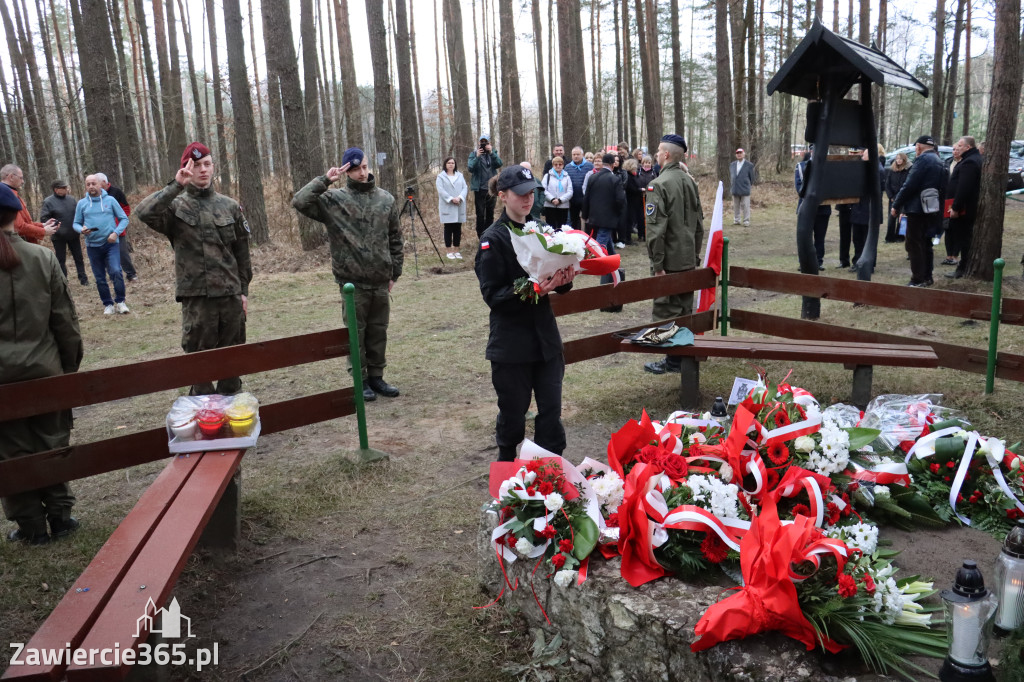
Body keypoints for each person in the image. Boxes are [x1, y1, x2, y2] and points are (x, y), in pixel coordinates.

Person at [0, 182, 83, 545]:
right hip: (46, 369)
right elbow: (65, 322)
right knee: (51, 441)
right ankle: (61, 517)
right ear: (16, 216)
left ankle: (32, 527)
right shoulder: (43, 257)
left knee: (10, 451)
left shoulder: (39, 257)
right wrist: (67, 369)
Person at [474, 165, 576, 461]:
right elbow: (493, 296)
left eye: (531, 192)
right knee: (513, 413)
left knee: (551, 413)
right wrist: (536, 290)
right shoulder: (492, 239)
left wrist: (564, 279)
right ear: (503, 196)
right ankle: (506, 468)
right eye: (520, 194)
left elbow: (558, 284)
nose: (527, 199)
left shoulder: (542, 229)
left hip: (545, 341)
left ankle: (550, 473)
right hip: (511, 344)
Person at [137, 142, 252, 394]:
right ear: (187, 169)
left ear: (214, 168)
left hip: (230, 296)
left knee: (232, 361)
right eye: (196, 165)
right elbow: (144, 213)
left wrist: (243, 291)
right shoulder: (176, 207)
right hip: (197, 298)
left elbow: (242, 255)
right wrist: (176, 185)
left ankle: (233, 416)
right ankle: (204, 423)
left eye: (207, 164)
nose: (203, 170)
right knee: (198, 365)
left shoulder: (230, 206)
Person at [292, 147, 403, 401]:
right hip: (352, 283)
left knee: (378, 331)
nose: (362, 173)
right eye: (355, 169)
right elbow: (300, 201)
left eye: (364, 167)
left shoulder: (385, 199)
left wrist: (394, 272)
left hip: (380, 280)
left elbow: (395, 238)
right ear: (346, 172)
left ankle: (377, 377)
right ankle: (360, 380)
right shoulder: (334, 201)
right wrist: (325, 180)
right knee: (356, 333)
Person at [643, 134, 704, 375]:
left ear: (666, 154)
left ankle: (671, 361)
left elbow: (656, 232)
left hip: (669, 261)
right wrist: (695, 254)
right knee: (684, 310)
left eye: (658, 151)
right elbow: (699, 224)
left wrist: (658, 265)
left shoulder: (658, 185)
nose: (656, 154)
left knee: (666, 311)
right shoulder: (690, 181)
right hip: (687, 257)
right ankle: (679, 359)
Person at [891, 134, 946, 287]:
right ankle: (927, 277)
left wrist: (896, 204)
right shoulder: (939, 160)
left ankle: (918, 278)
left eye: (916, 147)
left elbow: (910, 184)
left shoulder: (923, 160)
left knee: (914, 243)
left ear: (919, 147)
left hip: (917, 209)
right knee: (926, 243)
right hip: (931, 208)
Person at [73, 174, 130, 315]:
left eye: (93, 183)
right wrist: (81, 230)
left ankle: (121, 302)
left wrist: (115, 233)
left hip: (111, 244)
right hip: (92, 246)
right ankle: (108, 304)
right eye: (88, 184)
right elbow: (75, 223)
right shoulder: (82, 204)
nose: (91, 186)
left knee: (116, 271)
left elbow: (124, 219)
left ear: (100, 185)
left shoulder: (110, 200)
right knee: (99, 277)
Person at [582, 153, 626, 282]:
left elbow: (586, 198)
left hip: (594, 216)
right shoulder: (615, 179)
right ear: (613, 165)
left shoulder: (593, 177)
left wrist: (585, 215)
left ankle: (613, 263)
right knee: (601, 243)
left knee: (607, 242)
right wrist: (618, 213)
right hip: (608, 217)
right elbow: (620, 200)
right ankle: (601, 267)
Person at [944, 136, 983, 280]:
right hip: (965, 207)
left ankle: (963, 268)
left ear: (968, 147)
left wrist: (955, 207)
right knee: (963, 237)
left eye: (960, 145)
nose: (957, 148)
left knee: (963, 238)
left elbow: (964, 187)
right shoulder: (970, 159)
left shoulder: (970, 162)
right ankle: (963, 266)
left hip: (964, 209)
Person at [41, 180, 88, 285]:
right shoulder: (48, 201)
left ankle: (83, 279)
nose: (66, 189)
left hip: (73, 234)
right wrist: (54, 226)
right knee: (61, 259)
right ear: (56, 190)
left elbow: (78, 215)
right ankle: (63, 280)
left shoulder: (71, 199)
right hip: (58, 236)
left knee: (79, 257)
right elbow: (44, 219)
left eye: (66, 187)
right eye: (63, 188)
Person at [0, 164, 58, 244]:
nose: (23, 181)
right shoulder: (6, 197)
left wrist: (43, 225)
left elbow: (25, 222)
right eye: (21, 178)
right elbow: (19, 227)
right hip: (16, 244)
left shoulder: (11, 193)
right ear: (11, 177)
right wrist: (43, 231)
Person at [848, 147, 885, 271]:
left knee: (867, 240)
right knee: (857, 239)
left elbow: (874, 190)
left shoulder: (878, 170)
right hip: (858, 208)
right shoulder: (864, 169)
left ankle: (868, 264)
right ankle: (857, 262)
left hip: (869, 210)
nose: (862, 157)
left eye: (864, 155)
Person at [96, 173, 138, 282]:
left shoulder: (116, 192)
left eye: (97, 183)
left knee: (122, 253)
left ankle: (131, 274)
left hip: (118, 230)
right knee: (106, 253)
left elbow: (126, 209)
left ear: (104, 182)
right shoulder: (95, 195)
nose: (95, 186)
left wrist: (117, 221)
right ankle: (113, 275)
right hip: (102, 230)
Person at [795, 150, 831, 271]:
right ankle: (803, 262)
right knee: (805, 237)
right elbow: (799, 187)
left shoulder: (828, 166)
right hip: (806, 207)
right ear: (811, 151)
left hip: (823, 208)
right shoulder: (801, 166)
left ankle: (818, 261)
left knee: (820, 237)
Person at [468, 134, 503, 237]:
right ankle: (480, 236)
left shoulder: (493, 153)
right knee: (480, 214)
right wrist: (477, 157)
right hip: (479, 189)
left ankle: (489, 235)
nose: (484, 144)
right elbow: (470, 168)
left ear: (489, 143)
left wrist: (491, 152)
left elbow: (499, 164)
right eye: (482, 142)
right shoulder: (474, 154)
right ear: (479, 143)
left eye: (486, 142)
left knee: (490, 213)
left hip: (492, 189)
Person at [436, 156, 468, 260]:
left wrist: (459, 197)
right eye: (449, 163)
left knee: (458, 229)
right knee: (448, 229)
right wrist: (451, 198)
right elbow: (440, 190)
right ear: (445, 164)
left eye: (453, 163)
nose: (451, 164)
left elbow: (465, 188)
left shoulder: (460, 175)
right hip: (448, 205)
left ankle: (457, 250)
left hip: (459, 205)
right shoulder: (441, 177)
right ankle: (449, 251)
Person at [564, 147, 593, 231]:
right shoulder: (568, 167)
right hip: (573, 199)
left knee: (587, 220)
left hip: (585, 198)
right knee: (574, 220)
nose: (576, 156)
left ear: (582, 155)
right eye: (574, 154)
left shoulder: (590, 166)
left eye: (578, 154)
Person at [884, 152, 911, 243]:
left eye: (900, 159)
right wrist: (891, 196)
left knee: (902, 218)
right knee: (891, 218)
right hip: (892, 198)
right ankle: (889, 238)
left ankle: (900, 237)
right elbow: (887, 184)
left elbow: (906, 186)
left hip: (902, 198)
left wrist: (899, 197)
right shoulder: (892, 170)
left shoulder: (907, 171)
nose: (898, 160)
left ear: (904, 160)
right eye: (897, 158)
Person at [541, 155, 573, 228]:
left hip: (563, 206)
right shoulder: (547, 176)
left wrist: (560, 200)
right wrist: (552, 199)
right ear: (553, 165)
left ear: (563, 165)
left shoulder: (567, 177)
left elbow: (570, 191)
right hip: (550, 206)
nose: (558, 166)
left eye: (560, 164)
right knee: (550, 227)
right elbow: (543, 189)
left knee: (561, 228)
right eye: (556, 164)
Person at [634, 156, 658, 242]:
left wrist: (649, 189)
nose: (647, 164)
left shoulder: (653, 173)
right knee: (640, 216)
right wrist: (640, 189)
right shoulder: (638, 172)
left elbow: (655, 183)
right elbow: (635, 183)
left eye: (649, 163)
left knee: (649, 215)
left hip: (649, 197)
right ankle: (640, 233)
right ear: (642, 163)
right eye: (645, 163)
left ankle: (647, 234)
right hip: (639, 197)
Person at [729, 148, 755, 226]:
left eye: (740, 153)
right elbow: (732, 176)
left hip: (745, 189)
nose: (739, 154)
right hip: (735, 188)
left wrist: (747, 185)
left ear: (744, 154)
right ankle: (737, 220)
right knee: (736, 206)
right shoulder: (732, 164)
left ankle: (746, 220)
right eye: (737, 153)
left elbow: (752, 178)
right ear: (736, 155)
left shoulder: (749, 165)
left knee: (746, 206)